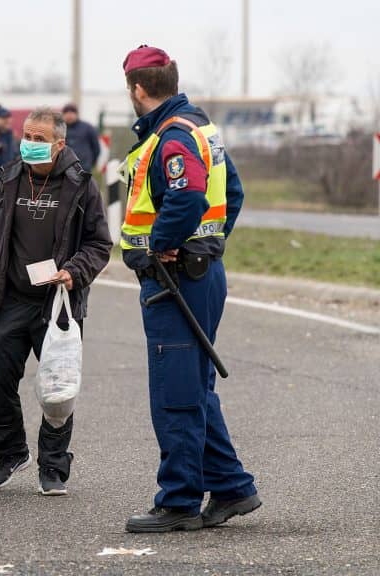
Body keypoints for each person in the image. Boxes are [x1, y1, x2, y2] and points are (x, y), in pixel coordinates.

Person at [118, 45, 260, 533]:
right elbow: (233, 194)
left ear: (138, 89)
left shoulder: (172, 137)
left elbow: (189, 196)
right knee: (194, 386)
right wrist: (211, 244)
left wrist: (163, 245)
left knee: (176, 393)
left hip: (176, 280)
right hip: (198, 276)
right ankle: (232, 487)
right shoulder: (200, 128)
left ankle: (178, 501)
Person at [0, 107, 112, 496]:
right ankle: (10, 452)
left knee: (57, 390)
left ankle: (53, 467)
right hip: (13, 297)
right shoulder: (9, 178)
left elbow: (100, 243)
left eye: (39, 139)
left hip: (59, 304)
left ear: (59, 144)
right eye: (27, 137)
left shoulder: (81, 184)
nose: (30, 145)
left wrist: (75, 271)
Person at [62, 103, 100, 173]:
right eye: (66, 113)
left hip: (84, 167)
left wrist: (91, 163)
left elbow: (96, 148)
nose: (69, 115)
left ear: (76, 114)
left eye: (72, 112)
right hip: (63, 168)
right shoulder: (60, 129)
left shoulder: (88, 128)